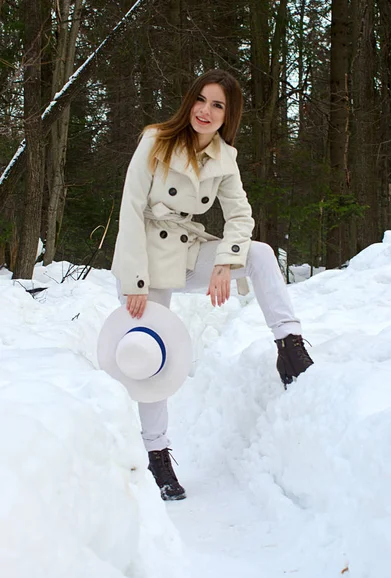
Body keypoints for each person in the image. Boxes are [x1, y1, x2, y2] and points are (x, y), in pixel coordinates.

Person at [111, 69, 313, 501]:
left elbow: (241, 217)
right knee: (152, 358)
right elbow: (130, 210)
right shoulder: (156, 141)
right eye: (201, 100)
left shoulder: (225, 158)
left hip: (187, 252)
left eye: (217, 105)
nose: (205, 110)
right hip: (145, 262)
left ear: (228, 114)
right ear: (190, 102)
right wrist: (134, 281)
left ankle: (290, 346)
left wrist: (225, 261)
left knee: (257, 253)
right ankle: (156, 456)